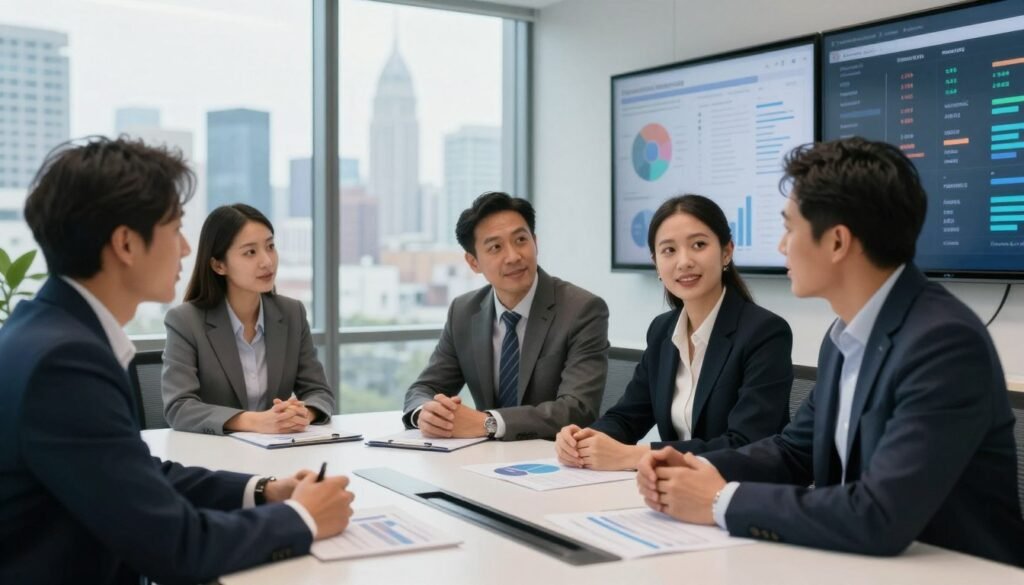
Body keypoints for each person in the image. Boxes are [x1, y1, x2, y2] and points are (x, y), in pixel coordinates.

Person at [636, 137, 1024, 566]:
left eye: (789, 228)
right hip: (861, 562)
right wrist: (700, 471)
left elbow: (879, 514)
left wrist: (719, 500)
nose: (783, 246)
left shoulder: (943, 343)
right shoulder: (844, 335)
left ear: (837, 242)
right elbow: (793, 451)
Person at [0, 137, 355, 585]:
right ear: (126, 244)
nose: (186, 249)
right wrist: (303, 518)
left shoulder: (48, 333)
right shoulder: (64, 363)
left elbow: (135, 472)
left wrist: (264, 490)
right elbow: (178, 547)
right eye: (174, 228)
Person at [554, 194, 793, 470]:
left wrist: (636, 455)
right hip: (674, 493)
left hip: (740, 494)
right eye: (669, 250)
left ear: (727, 251)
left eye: (699, 245)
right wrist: (582, 439)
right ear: (656, 263)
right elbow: (627, 417)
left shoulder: (764, 333)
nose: (684, 261)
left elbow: (745, 443)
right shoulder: (662, 331)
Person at [402, 191, 610, 441]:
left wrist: (490, 423)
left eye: (521, 240)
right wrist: (427, 413)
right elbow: (425, 388)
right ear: (473, 262)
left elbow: (577, 410)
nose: (513, 256)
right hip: (483, 460)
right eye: (495, 247)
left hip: (554, 461)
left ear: (535, 242)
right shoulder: (464, 311)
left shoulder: (581, 310)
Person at [162, 204, 335, 435]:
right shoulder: (185, 321)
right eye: (250, 252)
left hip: (278, 451)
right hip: (213, 457)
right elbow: (179, 407)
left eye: (270, 246)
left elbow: (319, 392)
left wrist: (302, 414)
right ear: (218, 265)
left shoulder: (292, 313)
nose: (267, 261)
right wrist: (253, 422)